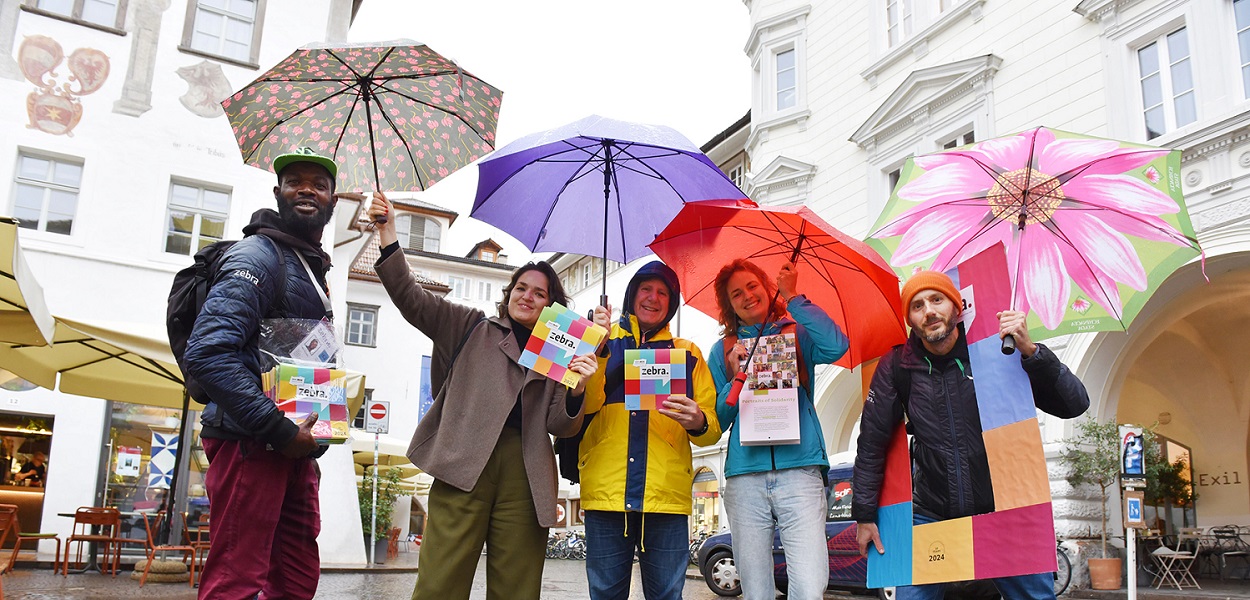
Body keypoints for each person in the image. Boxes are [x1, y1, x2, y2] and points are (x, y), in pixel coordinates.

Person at [365, 192, 597, 600]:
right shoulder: (470, 325)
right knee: (440, 582)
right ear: (508, 294)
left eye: (539, 293)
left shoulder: (562, 351)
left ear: (551, 304)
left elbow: (559, 425)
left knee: (517, 588)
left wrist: (578, 387)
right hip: (463, 461)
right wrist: (388, 233)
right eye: (521, 288)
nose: (527, 296)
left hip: (526, 472)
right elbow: (411, 298)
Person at [853, 271, 1090, 600]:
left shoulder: (999, 350)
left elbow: (1075, 404)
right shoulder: (897, 366)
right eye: (918, 305)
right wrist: (864, 515)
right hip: (930, 514)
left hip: (1005, 509)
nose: (929, 311)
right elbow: (872, 444)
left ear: (957, 306)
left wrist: (1032, 352)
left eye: (937, 300)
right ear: (910, 318)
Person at [182, 147, 339, 599]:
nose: (307, 188)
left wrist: (316, 428)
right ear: (279, 193)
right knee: (237, 578)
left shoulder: (309, 265)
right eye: (296, 181)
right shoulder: (258, 256)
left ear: (331, 200)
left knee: (294, 577)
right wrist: (278, 429)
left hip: (293, 446)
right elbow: (209, 353)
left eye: (319, 183)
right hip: (251, 439)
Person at [707, 259, 849, 600]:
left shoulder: (797, 331)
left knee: (811, 584)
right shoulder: (723, 350)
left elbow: (836, 346)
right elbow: (717, 421)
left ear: (767, 287)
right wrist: (735, 376)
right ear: (729, 306)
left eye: (752, 286)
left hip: (800, 471)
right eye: (736, 294)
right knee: (756, 590)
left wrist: (795, 297)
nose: (747, 296)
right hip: (745, 477)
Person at [580, 261, 722, 600]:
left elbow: (712, 430)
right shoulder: (599, 341)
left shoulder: (688, 354)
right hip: (607, 492)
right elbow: (580, 406)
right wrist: (596, 349)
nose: (653, 298)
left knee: (667, 596)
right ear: (632, 295)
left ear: (671, 303)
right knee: (604, 595)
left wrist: (698, 421)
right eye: (646, 289)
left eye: (663, 293)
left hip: (665, 499)